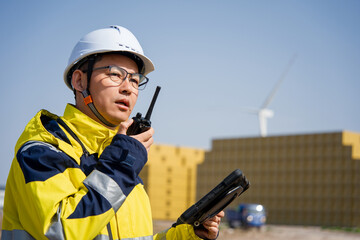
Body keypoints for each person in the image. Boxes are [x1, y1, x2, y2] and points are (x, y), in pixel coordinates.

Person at [1, 25, 224, 240]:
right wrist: (122, 164)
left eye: (135, 80)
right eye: (115, 74)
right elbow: (60, 230)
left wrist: (188, 235)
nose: (128, 87)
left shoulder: (120, 162)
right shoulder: (42, 151)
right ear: (79, 81)